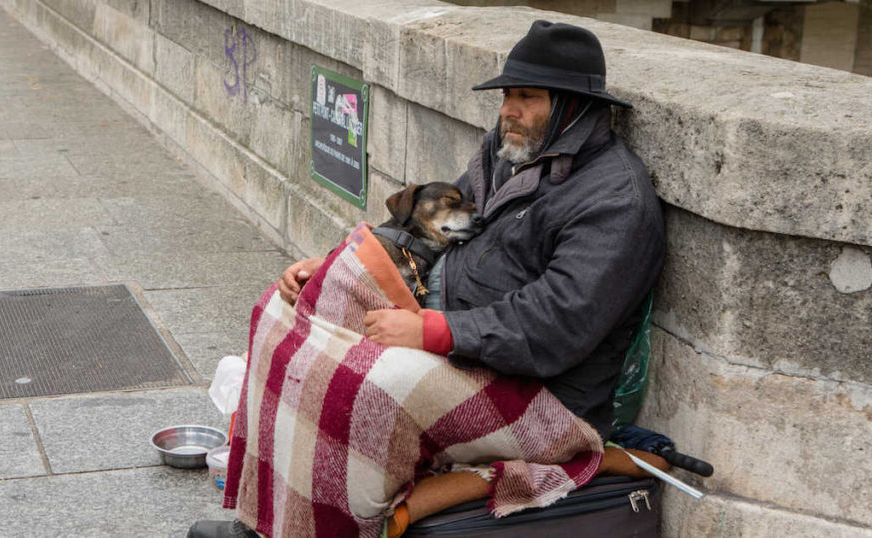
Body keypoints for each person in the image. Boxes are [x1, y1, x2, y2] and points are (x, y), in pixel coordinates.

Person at [190, 20, 666, 538]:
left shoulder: (614, 198)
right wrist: (328, 267)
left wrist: (434, 332)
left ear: (575, 107)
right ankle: (267, 523)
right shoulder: (509, 152)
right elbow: (419, 226)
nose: (509, 109)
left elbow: (559, 323)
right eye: (508, 94)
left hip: (544, 398)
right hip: (459, 344)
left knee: (369, 387)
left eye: (527, 97)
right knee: (282, 314)